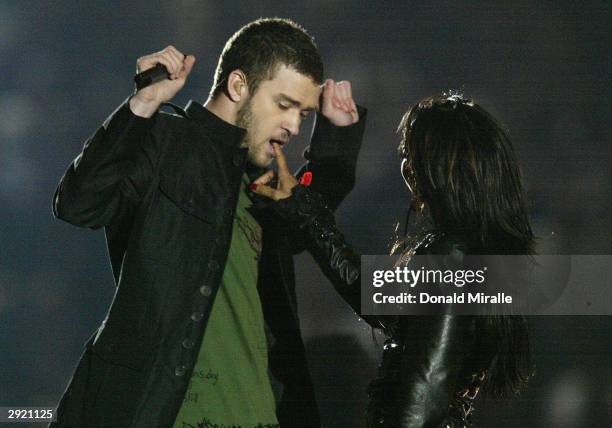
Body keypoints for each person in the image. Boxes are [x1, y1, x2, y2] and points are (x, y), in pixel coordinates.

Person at [51, 18, 367, 427]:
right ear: (239, 86)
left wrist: (337, 143)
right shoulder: (164, 139)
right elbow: (78, 204)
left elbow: (312, 225)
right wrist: (144, 103)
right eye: (285, 105)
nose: (293, 126)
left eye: (304, 114)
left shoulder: (267, 181)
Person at [253, 93, 533, 426]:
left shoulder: (453, 258)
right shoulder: (468, 252)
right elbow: (377, 299)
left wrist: (306, 212)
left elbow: (422, 399)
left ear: (437, 165)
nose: (405, 168)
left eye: (410, 155)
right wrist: (307, 213)